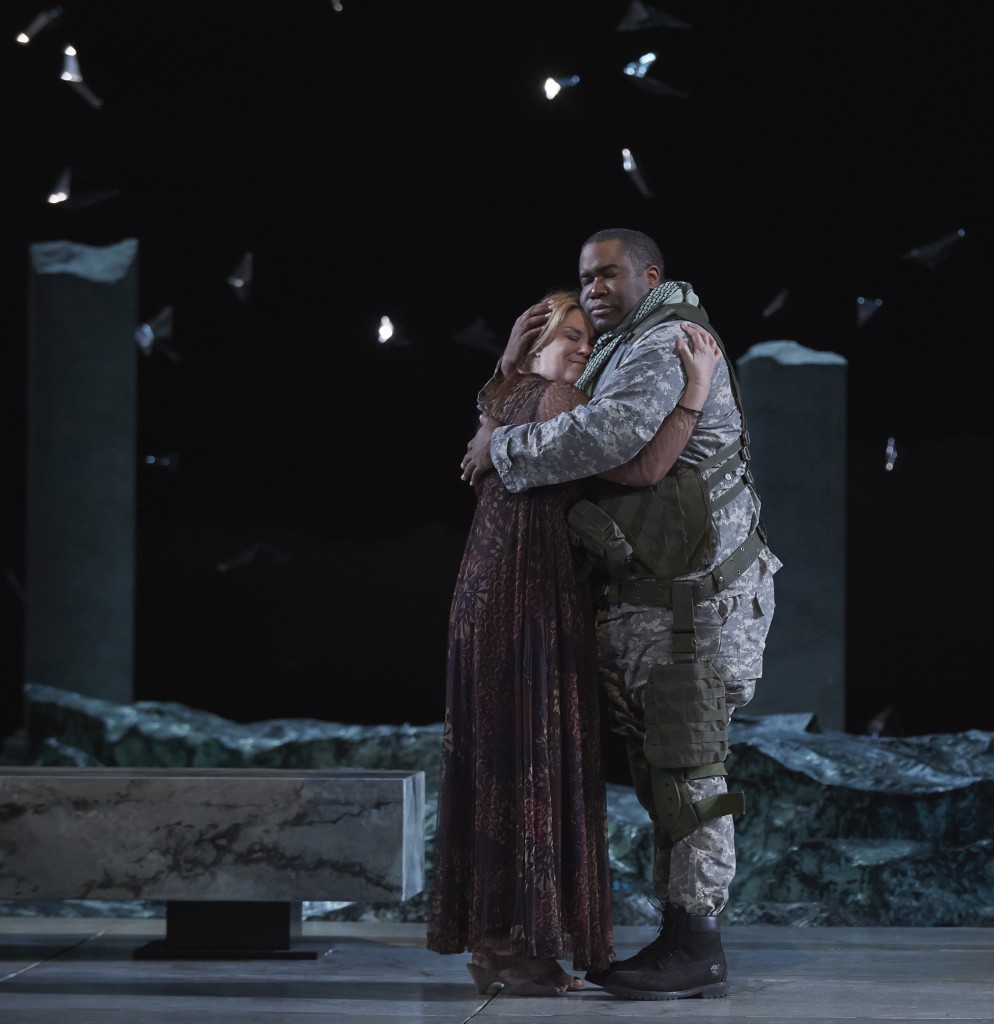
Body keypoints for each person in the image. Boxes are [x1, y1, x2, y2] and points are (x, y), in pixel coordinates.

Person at [460, 228, 782, 1001]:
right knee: (667, 768)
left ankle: (695, 944)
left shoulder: (665, 340)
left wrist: (501, 448)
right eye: (584, 277)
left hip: (695, 607)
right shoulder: (624, 346)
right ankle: (682, 936)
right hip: (662, 603)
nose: (594, 288)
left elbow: (615, 439)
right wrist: (501, 393)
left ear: (651, 275)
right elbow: (556, 399)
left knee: (689, 768)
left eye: (607, 275)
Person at [427, 288, 721, 997]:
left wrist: (502, 375)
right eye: (570, 339)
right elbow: (638, 468)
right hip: (526, 599)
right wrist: (693, 398)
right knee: (527, 765)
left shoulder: (504, 403)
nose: (584, 351)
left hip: (491, 594)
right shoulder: (551, 405)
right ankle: (518, 951)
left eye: (589, 340)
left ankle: (498, 945)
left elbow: (496, 423)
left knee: (497, 765)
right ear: (534, 348)